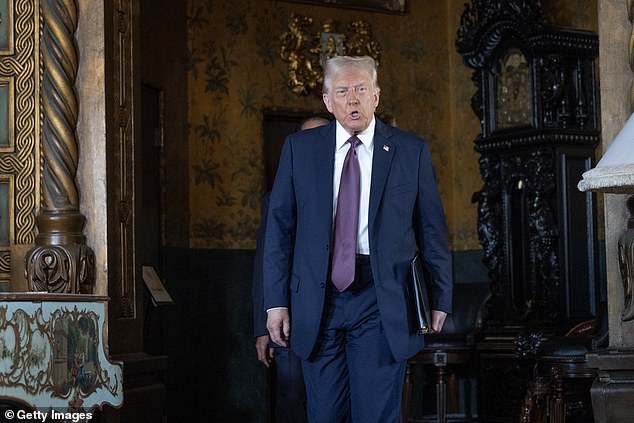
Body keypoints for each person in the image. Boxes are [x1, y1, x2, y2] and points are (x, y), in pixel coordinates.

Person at [263, 55, 453, 423]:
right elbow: (279, 230)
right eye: (344, 91)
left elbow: (432, 228)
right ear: (327, 100)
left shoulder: (409, 151)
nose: (353, 99)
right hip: (318, 301)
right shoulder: (299, 150)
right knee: (325, 415)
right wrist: (275, 302)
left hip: (380, 300)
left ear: (376, 97)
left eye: (361, 90)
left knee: (376, 414)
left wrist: (440, 296)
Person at [253, 116, 330, 423]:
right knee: (292, 398)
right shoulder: (276, 199)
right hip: (288, 322)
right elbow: (265, 261)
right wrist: (262, 328)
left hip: (335, 319)